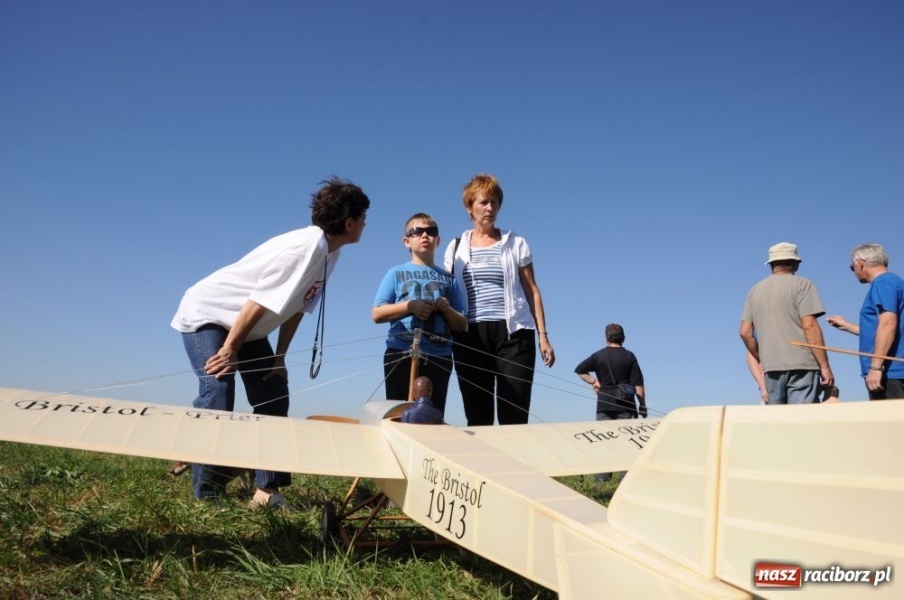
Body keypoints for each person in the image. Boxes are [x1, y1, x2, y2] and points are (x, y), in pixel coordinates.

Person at [170, 177, 370, 508]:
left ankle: (267, 491)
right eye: (363, 218)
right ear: (349, 222)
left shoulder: (329, 255)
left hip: (247, 327)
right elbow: (258, 301)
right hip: (209, 313)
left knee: (273, 393)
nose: (365, 224)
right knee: (218, 388)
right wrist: (230, 348)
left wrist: (280, 358)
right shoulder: (307, 247)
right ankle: (206, 495)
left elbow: (298, 307)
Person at [443, 173, 555, 426]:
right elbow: (448, 291)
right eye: (483, 202)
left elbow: (532, 291)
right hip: (469, 335)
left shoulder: (516, 243)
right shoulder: (455, 246)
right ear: (469, 207)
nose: (490, 208)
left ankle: (515, 465)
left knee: (514, 416)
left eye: (494, 202)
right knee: (477, 415)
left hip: (513, 334)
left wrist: (543, 336)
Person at [372, 213, 467, 414]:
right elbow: (377, 313)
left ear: (438, 240)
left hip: (439, 356)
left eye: (431, 232)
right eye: (417, 232)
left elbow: (462, 324)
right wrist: (410, 306)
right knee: (397, 413)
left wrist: (447, 309)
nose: (425, 235)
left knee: (432, 414)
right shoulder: (395, 273)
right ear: (407, 241)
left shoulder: (450, 279)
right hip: (400, 351)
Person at [739, 242, 834, 404]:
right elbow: (810, 326)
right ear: (796, 263)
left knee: (778, 422)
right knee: (800, 421)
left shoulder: (755, 291)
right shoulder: (803, 285)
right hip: (802, 365)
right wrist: (825, 366)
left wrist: (762, 358)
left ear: (771, 264)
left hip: (771, 368)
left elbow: (745, 332)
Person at [827, 243, 904, 400]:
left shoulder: (884, 283)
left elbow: (889, 324)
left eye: (852, 267)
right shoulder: (891, 282)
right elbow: (880, 329)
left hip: (891, 373)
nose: (853, 271)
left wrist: (876, 367)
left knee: (890, 423)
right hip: (890, 371)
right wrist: (847, 326)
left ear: (860, 263)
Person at [575, 323, 646, 482]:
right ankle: (625, 482)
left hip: (604, 405)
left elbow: (579, 370)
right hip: (626, 405)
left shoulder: (598, 356)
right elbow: (638, 384)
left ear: (606, 338)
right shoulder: (630, 356)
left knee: (603, 444)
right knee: (627, 445)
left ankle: (601, 481)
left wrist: (594, 381)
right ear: (623, 338)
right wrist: (642, 406)